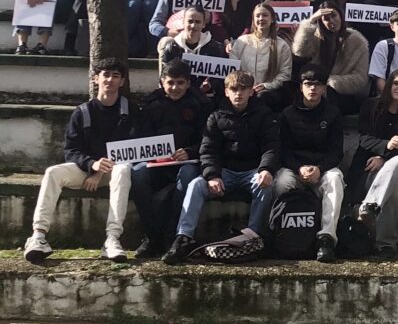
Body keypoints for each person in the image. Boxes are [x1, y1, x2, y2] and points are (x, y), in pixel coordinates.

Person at [23, 57, 137, 264]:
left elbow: (134, 148)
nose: (110, 80)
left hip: (114, 171)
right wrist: (92, 165)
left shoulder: (131, 111)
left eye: (115, 76)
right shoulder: (82, 112)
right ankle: (38, 236)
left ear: (122, 81)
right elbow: (72, 150)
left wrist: (99, 172)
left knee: (123, 169)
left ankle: (112, 238)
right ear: (95, 79)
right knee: (52, 172)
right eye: (105, 75)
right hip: (86, 169)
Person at [162, 68, 279, 263]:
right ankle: (184, 237)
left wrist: (266, 169)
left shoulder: (265, 115)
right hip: (224, 172)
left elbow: (272, 147)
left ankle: (253, 238)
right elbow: (208, 150)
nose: (238, 93)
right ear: (226, 91)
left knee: (265, 186)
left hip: (253, 171)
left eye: (243, 89)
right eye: (234, 89)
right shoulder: (215, 116)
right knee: (196, 185)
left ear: (251, 91)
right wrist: (212, 176)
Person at [130, 60, 210, 258]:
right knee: (138, 174)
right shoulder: (149, 105)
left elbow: (209, 139)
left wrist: (190, 152)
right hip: (156, 163)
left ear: (188, 83)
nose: (175, 88)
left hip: (188, 162)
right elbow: (139, 137)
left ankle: (171, 236)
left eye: (180, 83)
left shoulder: (202, 105)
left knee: (188, 177)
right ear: (162, 82)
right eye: (170, 82)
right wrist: (154, 153)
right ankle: (151, 236)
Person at [274, 67, 346, 263]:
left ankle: (326, 239)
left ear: (324, 89)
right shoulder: (287, 114)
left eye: (317, 85)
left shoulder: (333, 114)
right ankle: (280, 236)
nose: (312, 88)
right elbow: (283, 150)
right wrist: (299, 168)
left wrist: (319, 169)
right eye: (308, 84)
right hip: (294, 168)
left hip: (322, 168)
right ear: (301, 87)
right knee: (281, 183)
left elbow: (336, 152)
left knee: (335, 179)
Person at [354, 69, 398, 258]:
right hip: (372, 170)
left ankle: (370, 205)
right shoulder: (371, 106)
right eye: (396, 83)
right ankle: (386, 245)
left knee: (397, 161)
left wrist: (384, 157)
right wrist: (385, 145)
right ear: (389, 84)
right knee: (393, 190)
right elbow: (363, 138)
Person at [292, 4, 370, 114]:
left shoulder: (357, 41)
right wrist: (311, 22)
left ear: (341, 16)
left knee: (328, 97)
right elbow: (300, 52)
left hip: (343, 95)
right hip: (315, 88)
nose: (331, 21)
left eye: (334, 16)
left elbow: (360, 79)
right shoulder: (315, 36)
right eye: (326, 19)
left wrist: (329, 82)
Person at [231, 2, 294, 109]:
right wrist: (245, 87)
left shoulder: (282, 45)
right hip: (242, 92)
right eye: (258, 16)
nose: (261, 18)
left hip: (269, 95)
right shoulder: (242, 41)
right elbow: (233, 69)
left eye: (265, 15)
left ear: (272, 19)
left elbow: (285, 73)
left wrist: (266, 86)